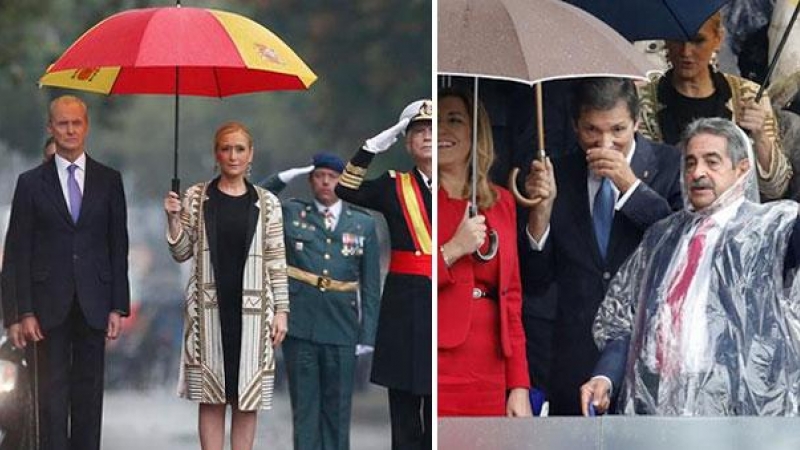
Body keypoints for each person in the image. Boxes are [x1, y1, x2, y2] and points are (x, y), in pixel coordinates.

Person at [582, 117, 800, 416]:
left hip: (740, 412)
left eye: (712, 162)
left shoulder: (770, 230)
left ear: (742, 169)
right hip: (657, 405)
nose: (698, 173)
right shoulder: (662, 237)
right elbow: (622, 319)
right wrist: (605, 375)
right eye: (691, 162)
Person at [521, 77, 683, 415]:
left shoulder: (671, 165)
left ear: (637, 123)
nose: (605, 142)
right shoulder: (558, 173)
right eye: (592, 130)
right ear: (575, 127)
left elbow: (678, 248)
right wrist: (542, 212)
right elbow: (535, 279)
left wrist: (630, 185)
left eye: (618, 130)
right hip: (575, 355)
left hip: (647, 354)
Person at [0, 95, 130, 450]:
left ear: (86, 127)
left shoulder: (109, 181)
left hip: (94, 305)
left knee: (88, 402)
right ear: (50, 128)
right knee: (50, 404)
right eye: (62, 123)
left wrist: (118, 306)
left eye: (76, 123)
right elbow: (16, 252)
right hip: (44, 310)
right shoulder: (30, 184)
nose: (70, 130)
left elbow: (118, 246)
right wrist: (19, 313)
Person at [164, 122, 288, 450]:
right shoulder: (195, 196)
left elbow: (276, 260)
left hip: (253, 311)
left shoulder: (268, 203)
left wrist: (282, 311)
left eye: (239, 149)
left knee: (247, 398)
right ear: (216, 154)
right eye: (225, 148)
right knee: (212, 395)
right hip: (209, 310)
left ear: (251, 155)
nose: (232, 156)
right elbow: (180, 252)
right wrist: (173, 218)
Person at [259, 152, 380, 450]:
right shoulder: (291, 213)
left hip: (342, 327)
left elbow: (371, 286)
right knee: (305, 409)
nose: (326, 182)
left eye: (333, 177)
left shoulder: (362, 224)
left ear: (343, 181)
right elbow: (257, 199)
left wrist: (367, 334)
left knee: (337, 410)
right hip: (300, 325)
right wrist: (285, 176)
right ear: (311, 179)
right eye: (319, 176)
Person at [335, 100, 432, 449]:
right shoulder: (395, 186)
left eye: (434, 130)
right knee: (405, 411)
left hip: (444, 303)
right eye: (418, 131)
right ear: (406, 142)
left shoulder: (460, 188)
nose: (427, 137)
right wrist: (373, 146)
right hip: (405, 306)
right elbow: (345, 189)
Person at [437, 88, 531, 417]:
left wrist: (519, 386)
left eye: (454, 120)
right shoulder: (417, 196)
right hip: (438, 360)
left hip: (492, 365)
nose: (442, 130)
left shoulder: (502, 201)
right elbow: (410, 279)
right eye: (434, 121)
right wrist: (452, 249)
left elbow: (513, 298)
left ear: (475, 133)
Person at [638, 11, 792, 200]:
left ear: (718, 39)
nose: (686, 52)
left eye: (698, 41)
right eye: (677, 40)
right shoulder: (643, 100)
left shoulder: (748, 95)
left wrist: (760, 137)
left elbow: (776, 187)